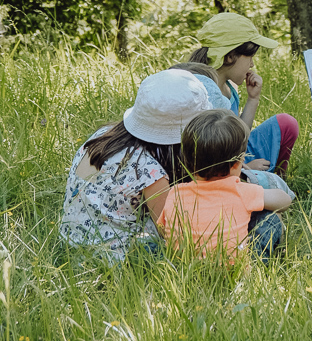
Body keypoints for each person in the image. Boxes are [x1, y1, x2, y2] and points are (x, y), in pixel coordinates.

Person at [60, 69, 212, 261]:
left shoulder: (103, 135)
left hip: (69, 243)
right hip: (110, 259)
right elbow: (173, 234)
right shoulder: (149, 171)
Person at [159, 109, 294, 261]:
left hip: (183, 264)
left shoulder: (175, 193)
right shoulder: (241, 191)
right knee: (271, 217)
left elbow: (163, 229)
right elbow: (285, 201)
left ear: (187, 161)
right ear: (237, 164)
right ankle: (265, 261)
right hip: (234, 268)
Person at [189, 12, 299, 178]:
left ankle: (277, 180)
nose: (252, 64)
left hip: (235, 156)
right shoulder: (203, 94)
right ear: (229, 56)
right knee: (256, 180)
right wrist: (242, 169)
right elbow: (205, 153)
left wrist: (253, 98)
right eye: (250, 57)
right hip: (214, 168)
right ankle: (254, 183)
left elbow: (239, 137)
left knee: (286, 123)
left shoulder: (228, 87)